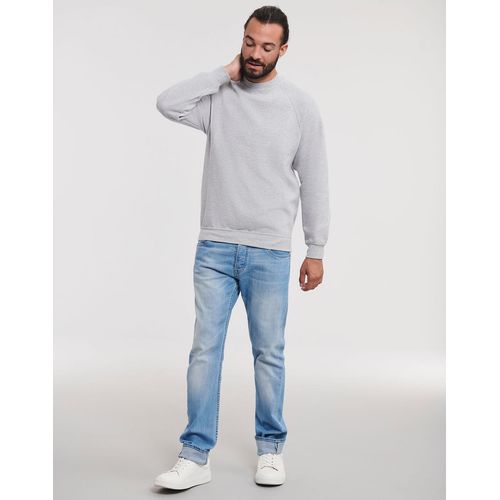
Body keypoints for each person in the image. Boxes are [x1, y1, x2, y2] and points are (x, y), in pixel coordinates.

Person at [153, 5, 330, 490]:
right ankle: (195, 455)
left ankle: (270, 449)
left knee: (268, 353)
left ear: (283, 49)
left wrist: (316, 247)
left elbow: (315, 179)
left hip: (269, 251)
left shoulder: (299, 106)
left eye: (267, 47)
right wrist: (222, 73)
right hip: (214, 247)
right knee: (204, 352)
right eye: (250, 43)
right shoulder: (220, 97)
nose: (256, 53)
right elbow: (168, 103)